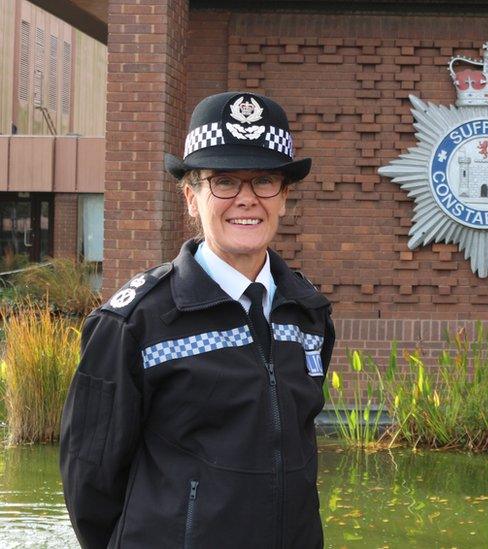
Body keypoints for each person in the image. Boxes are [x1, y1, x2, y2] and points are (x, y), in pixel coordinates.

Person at [60, 92, 335, 548]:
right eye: (223, 182)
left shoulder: (307, 313)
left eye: (265, 180)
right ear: (191, 197)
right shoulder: (134, 322)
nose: (246, 200)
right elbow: (90, 478)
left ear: (284, 198)